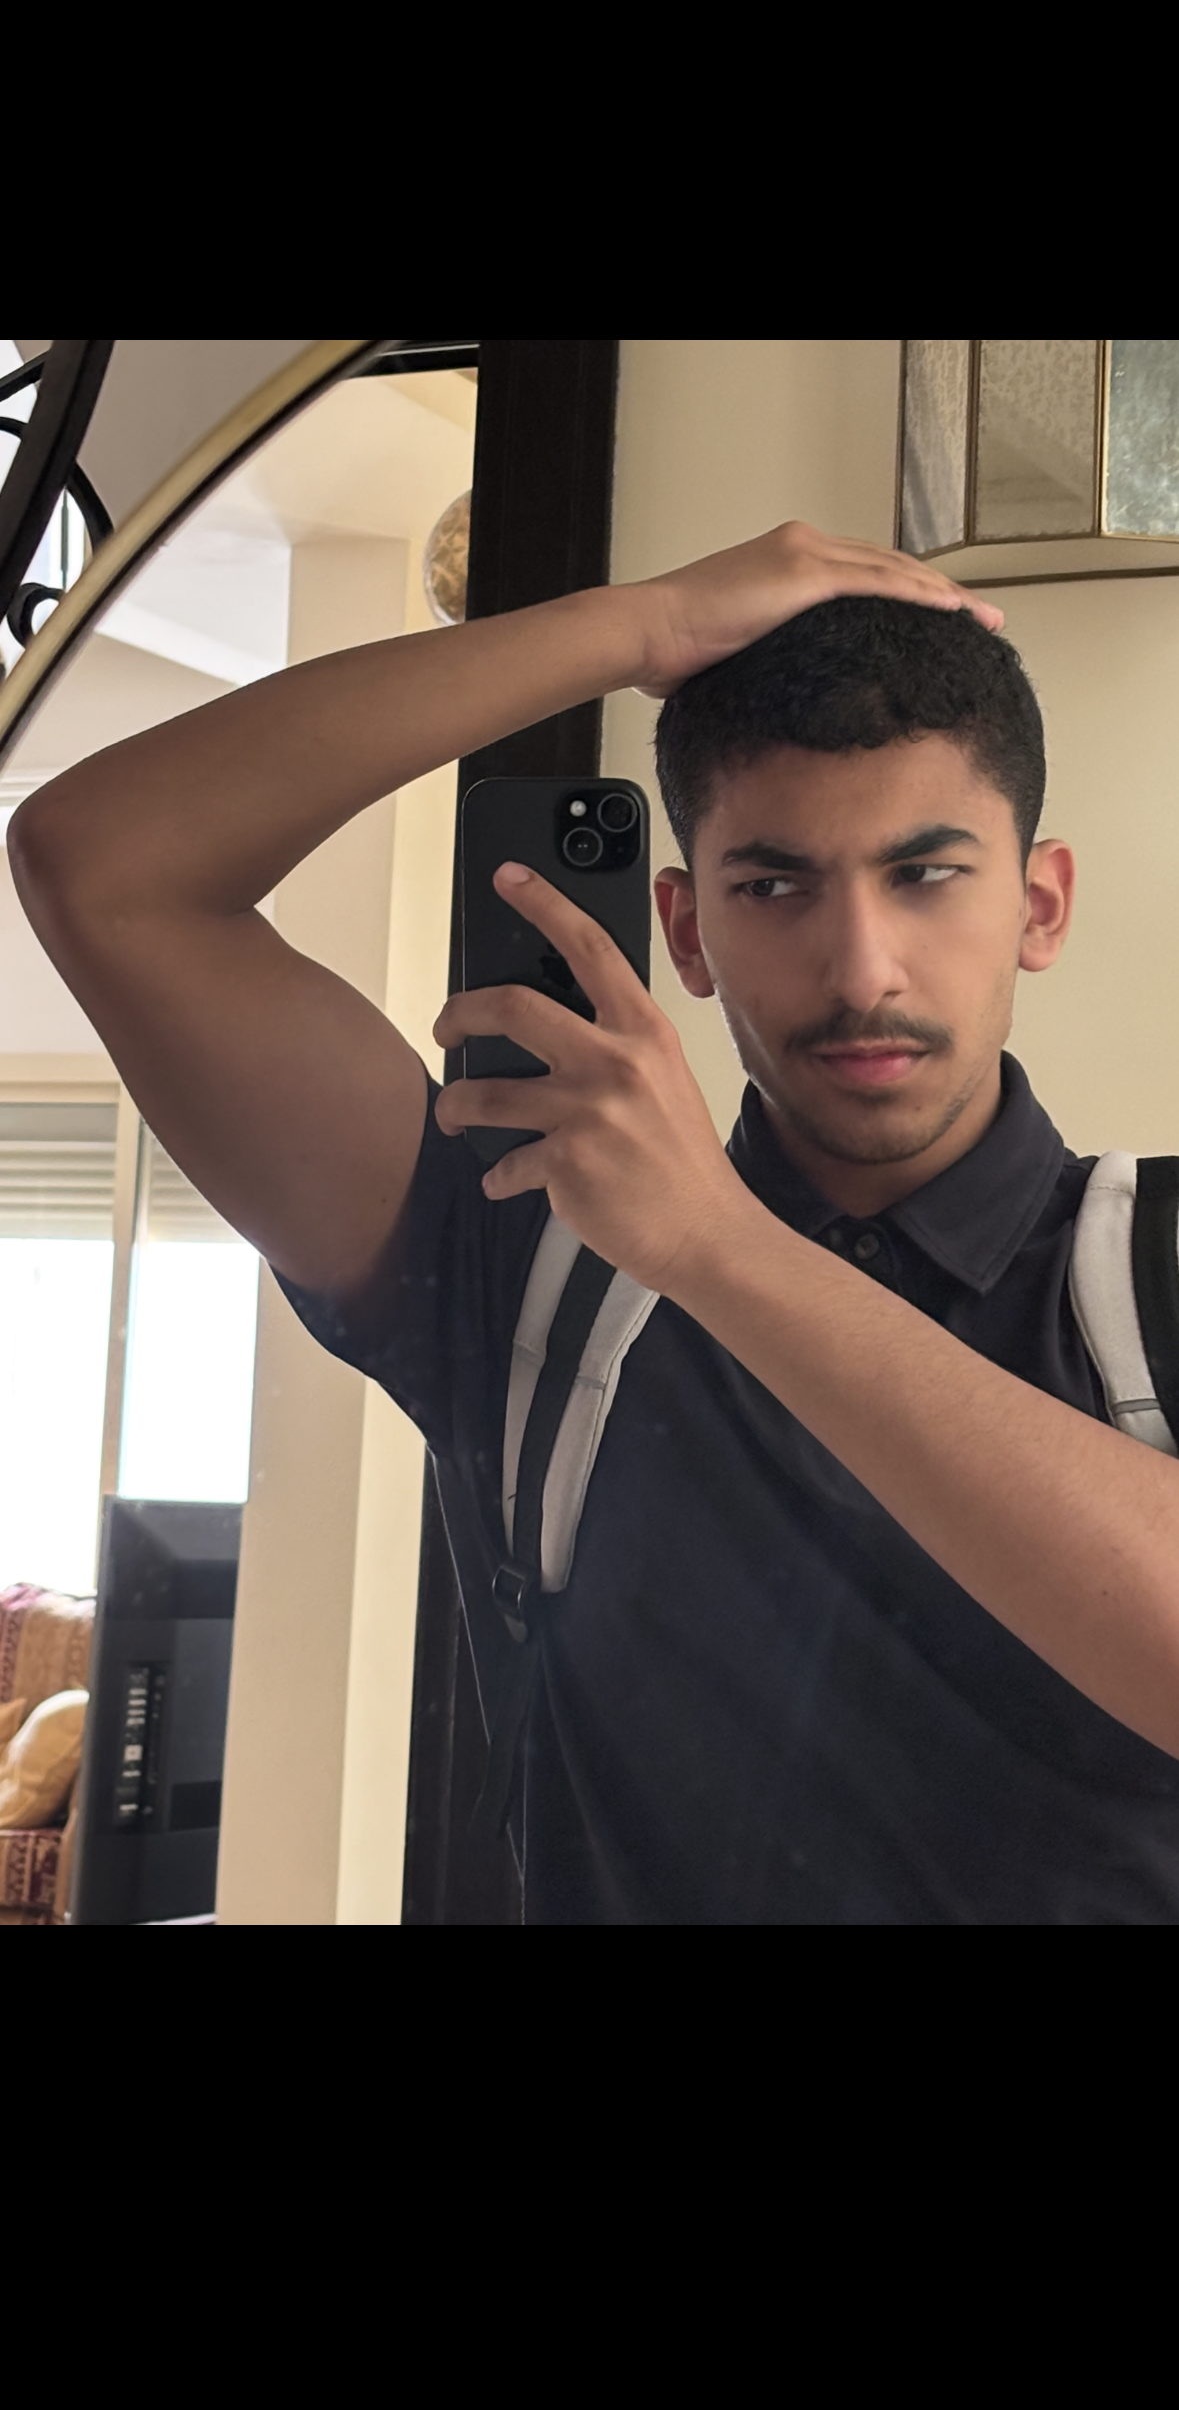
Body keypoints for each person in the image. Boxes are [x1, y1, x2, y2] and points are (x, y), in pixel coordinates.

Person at [12, 521, 1179, 1925]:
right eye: (774, 885)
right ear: (684, 930)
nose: (861, 967)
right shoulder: (521, 1249)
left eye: (925, 875)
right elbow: (100, 865)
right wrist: (639, 624)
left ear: (1038, 906)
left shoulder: (1152, 1262)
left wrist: (719, 1248)